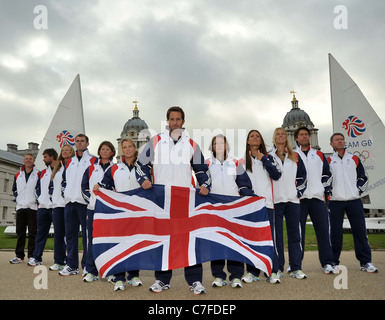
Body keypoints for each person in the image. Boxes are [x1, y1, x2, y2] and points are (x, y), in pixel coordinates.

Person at [135, 106, 211, 295]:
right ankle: (162, 280)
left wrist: (205, 185)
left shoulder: (192, 144)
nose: (175, 122)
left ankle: (195, 281)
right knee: (163, 239)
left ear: (183, 122)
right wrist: (144, 179)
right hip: (161, 199)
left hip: (185, 199)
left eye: (178, 119)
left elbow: (202, 170)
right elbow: (141, 164)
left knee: (190, 240)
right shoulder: (155, 141)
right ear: (167, 121)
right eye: (172, 119)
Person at [206, 134, 254, 288]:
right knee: (217, 243)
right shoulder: (206, 164)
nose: (219, 146)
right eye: (215, 143)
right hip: (215, 209)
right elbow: (202, 186)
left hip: (233, 208)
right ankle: (219, 275)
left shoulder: (235, 163)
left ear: (226, 146)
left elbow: (244, 184)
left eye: (222, 143)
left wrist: (251, 198)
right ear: (212, 147)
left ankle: (236, 275)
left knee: (235, 243)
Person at [96, 138, 143, 291]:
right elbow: (106, 187)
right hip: (120, 213)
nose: (128, 149)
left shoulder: (143, 167)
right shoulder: (114, 168)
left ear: (135, 149)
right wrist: (99, 187)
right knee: (119, 245)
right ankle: (119, 278)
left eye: (130, 146)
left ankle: (134, 275)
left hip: (137, 212)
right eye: (125, 147)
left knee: (135, 244)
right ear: (121, 150)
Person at [327, 133, 378, 273]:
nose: (340, 141)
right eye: (337, 140)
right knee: (335, 234)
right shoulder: (329, 160)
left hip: (354, 200)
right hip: (335, 201)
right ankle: (333, 262)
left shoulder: (354, 158)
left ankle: (366, 262)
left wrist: (357, 190)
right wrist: (330, 192)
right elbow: (324, 179)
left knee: (360, 232)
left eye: (342, 139)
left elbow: (363, 177)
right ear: (331, 144)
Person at [240, 129, 281, 284]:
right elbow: (236, 181)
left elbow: (276, 174)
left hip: (267, 203)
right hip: (248, 204)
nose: (255, 138)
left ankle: (272, 271)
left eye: (258, 136)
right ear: (248, 141)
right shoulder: (242, 160)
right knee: (250, 239)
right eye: (252, 136)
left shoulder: (270, 157)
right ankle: (252, 272)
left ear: (261, 141)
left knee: (269, 239)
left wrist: (263, 158)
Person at [294, 127, 335, 274]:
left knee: (324, 232)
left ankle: (328, 263)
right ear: (296, 138)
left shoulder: (318, 154)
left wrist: (322, 188)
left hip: (317, 198)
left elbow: (327, 174)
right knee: (298, 234)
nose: (305, 137)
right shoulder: (292, 154)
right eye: (302, 135)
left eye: (306, 134)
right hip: (300, 199)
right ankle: (296, 264)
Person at [269, 127, 307, 280]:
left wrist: (297, 192)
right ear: (274, 137)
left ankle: (296, 267)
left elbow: (303, 177)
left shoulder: (295, 156)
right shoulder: (269, 156)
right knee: (277, 236)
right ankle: (278, 268)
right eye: (277, 134)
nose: (280, 136)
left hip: (292, 200)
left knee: (295, 235)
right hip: (276, 200)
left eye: (283, 134)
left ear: (287, 137)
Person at [60, 134, 98, 276]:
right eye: (77, 141)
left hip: (85, 204)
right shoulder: (69, 161)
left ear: (87, 144)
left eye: (82, 141)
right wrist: (66, 194)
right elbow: (64, 181)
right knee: (70, 235)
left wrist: (88, 198)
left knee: (88, 237)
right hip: (70, 202)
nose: (79, 143)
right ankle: (72, 265)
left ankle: (87, 266)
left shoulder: (94, 160)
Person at [81, 141, 115, 283]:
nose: (104, 151)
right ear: (99, 151)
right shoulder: (90, 169)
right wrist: (92, 200)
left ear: (112, 152)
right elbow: (83, 188)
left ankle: (111, 271)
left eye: (107, 149)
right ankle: (91, 270)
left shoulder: (116, 168)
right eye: (102, 149)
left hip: (110, 210)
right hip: (93, 208)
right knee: (92, 240)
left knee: (111, 240)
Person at [28, 148, 58, 266]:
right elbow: (37, 188)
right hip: (43, 208)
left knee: (60, 234)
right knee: (40, 233)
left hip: (56, 207)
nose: (43, 159)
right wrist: (40, 199)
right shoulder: (42, 173)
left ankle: (61, 259)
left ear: (52, 157)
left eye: (45, 157)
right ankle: (37, 257)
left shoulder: (61, 170)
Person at [49, 144, 75, 271]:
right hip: (58, 205)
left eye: (68, 150)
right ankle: (58, 260)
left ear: (72, 152)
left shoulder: (74, 166)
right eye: (63, 150)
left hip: (69, 204)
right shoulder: (57, 168)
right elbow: (51, 186)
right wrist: (52, 199)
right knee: (58, 234)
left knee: (69, 234)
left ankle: (70, 261)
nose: (65, 152)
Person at [10, 154, 39, 264]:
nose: (28, 160)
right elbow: (14, 190)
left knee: (32, 233)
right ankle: (19, 256)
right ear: (24, 160)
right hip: (21, 207)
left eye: (30, 159)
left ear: (33, 161)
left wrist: (36, 199)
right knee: (20, 232)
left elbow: (40, 189)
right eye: (26, 158)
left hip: (32, 207)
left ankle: (32, 256)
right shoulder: (18, 175)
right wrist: (19, 199)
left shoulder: (38, 174)